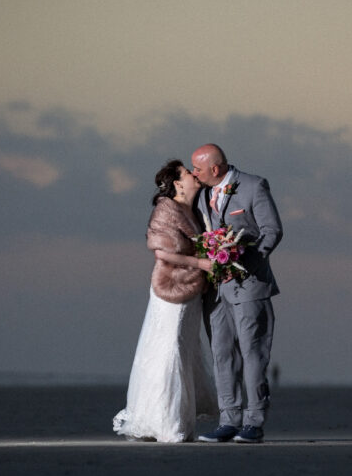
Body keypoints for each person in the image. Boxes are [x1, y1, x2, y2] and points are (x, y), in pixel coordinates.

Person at [113, 160, 218, 442]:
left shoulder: (195, 210)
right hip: (172, 287)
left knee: (185, 349)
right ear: (177, 184)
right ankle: (167, 422)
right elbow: (162, 253)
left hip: (193, 286)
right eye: (188, 172)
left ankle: (179, 419)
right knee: (169, 346)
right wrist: (201, 263)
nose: (195, 175)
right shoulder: (167, 210)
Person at [191, 144, 283, 444]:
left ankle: (254, 421)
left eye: (198, 168)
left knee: (253, 354)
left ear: (215, 169)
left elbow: (272, 230)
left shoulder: (254, 186)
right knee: (221, 353)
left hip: (250, 285)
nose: (195, 173)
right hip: (215, 291)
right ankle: (228, 420)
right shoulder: (202, 194)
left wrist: (244, 260)